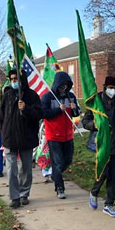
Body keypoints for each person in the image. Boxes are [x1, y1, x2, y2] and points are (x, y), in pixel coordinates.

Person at [83, 76, 115, 217]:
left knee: (112, 175)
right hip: (101, 143)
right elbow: (85, 121)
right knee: (103, 171)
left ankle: (109, 204)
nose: (112, 91)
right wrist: (96, 126)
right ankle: (94, 192)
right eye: (110, 88)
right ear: (104, 87)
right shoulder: (96, 102)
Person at [0, 70, 42, 208]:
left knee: (26, 168)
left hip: (26, 137)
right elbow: (2, 116)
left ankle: (24, 193)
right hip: (9, 138)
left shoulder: (32, 96)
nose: (13, 82)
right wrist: (3, 132)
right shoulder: (7, 95)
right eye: (11, 79)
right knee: (11, 168)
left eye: (16, 79)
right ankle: (15, 197)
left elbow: (38, 114)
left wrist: (26, 109)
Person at [40, 71, 80, 199]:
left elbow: (76, 113)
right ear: (57, 84)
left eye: (66, 85)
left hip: (68, 134)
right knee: (57, 162)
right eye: (62, 85)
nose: (64, 87)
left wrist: (75, 109)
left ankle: (55, 175)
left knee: (67, 160)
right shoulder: (48, 97)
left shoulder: (71, 96)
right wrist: (58, 110)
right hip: (54, 136)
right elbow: (44, 114)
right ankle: (60, 188)